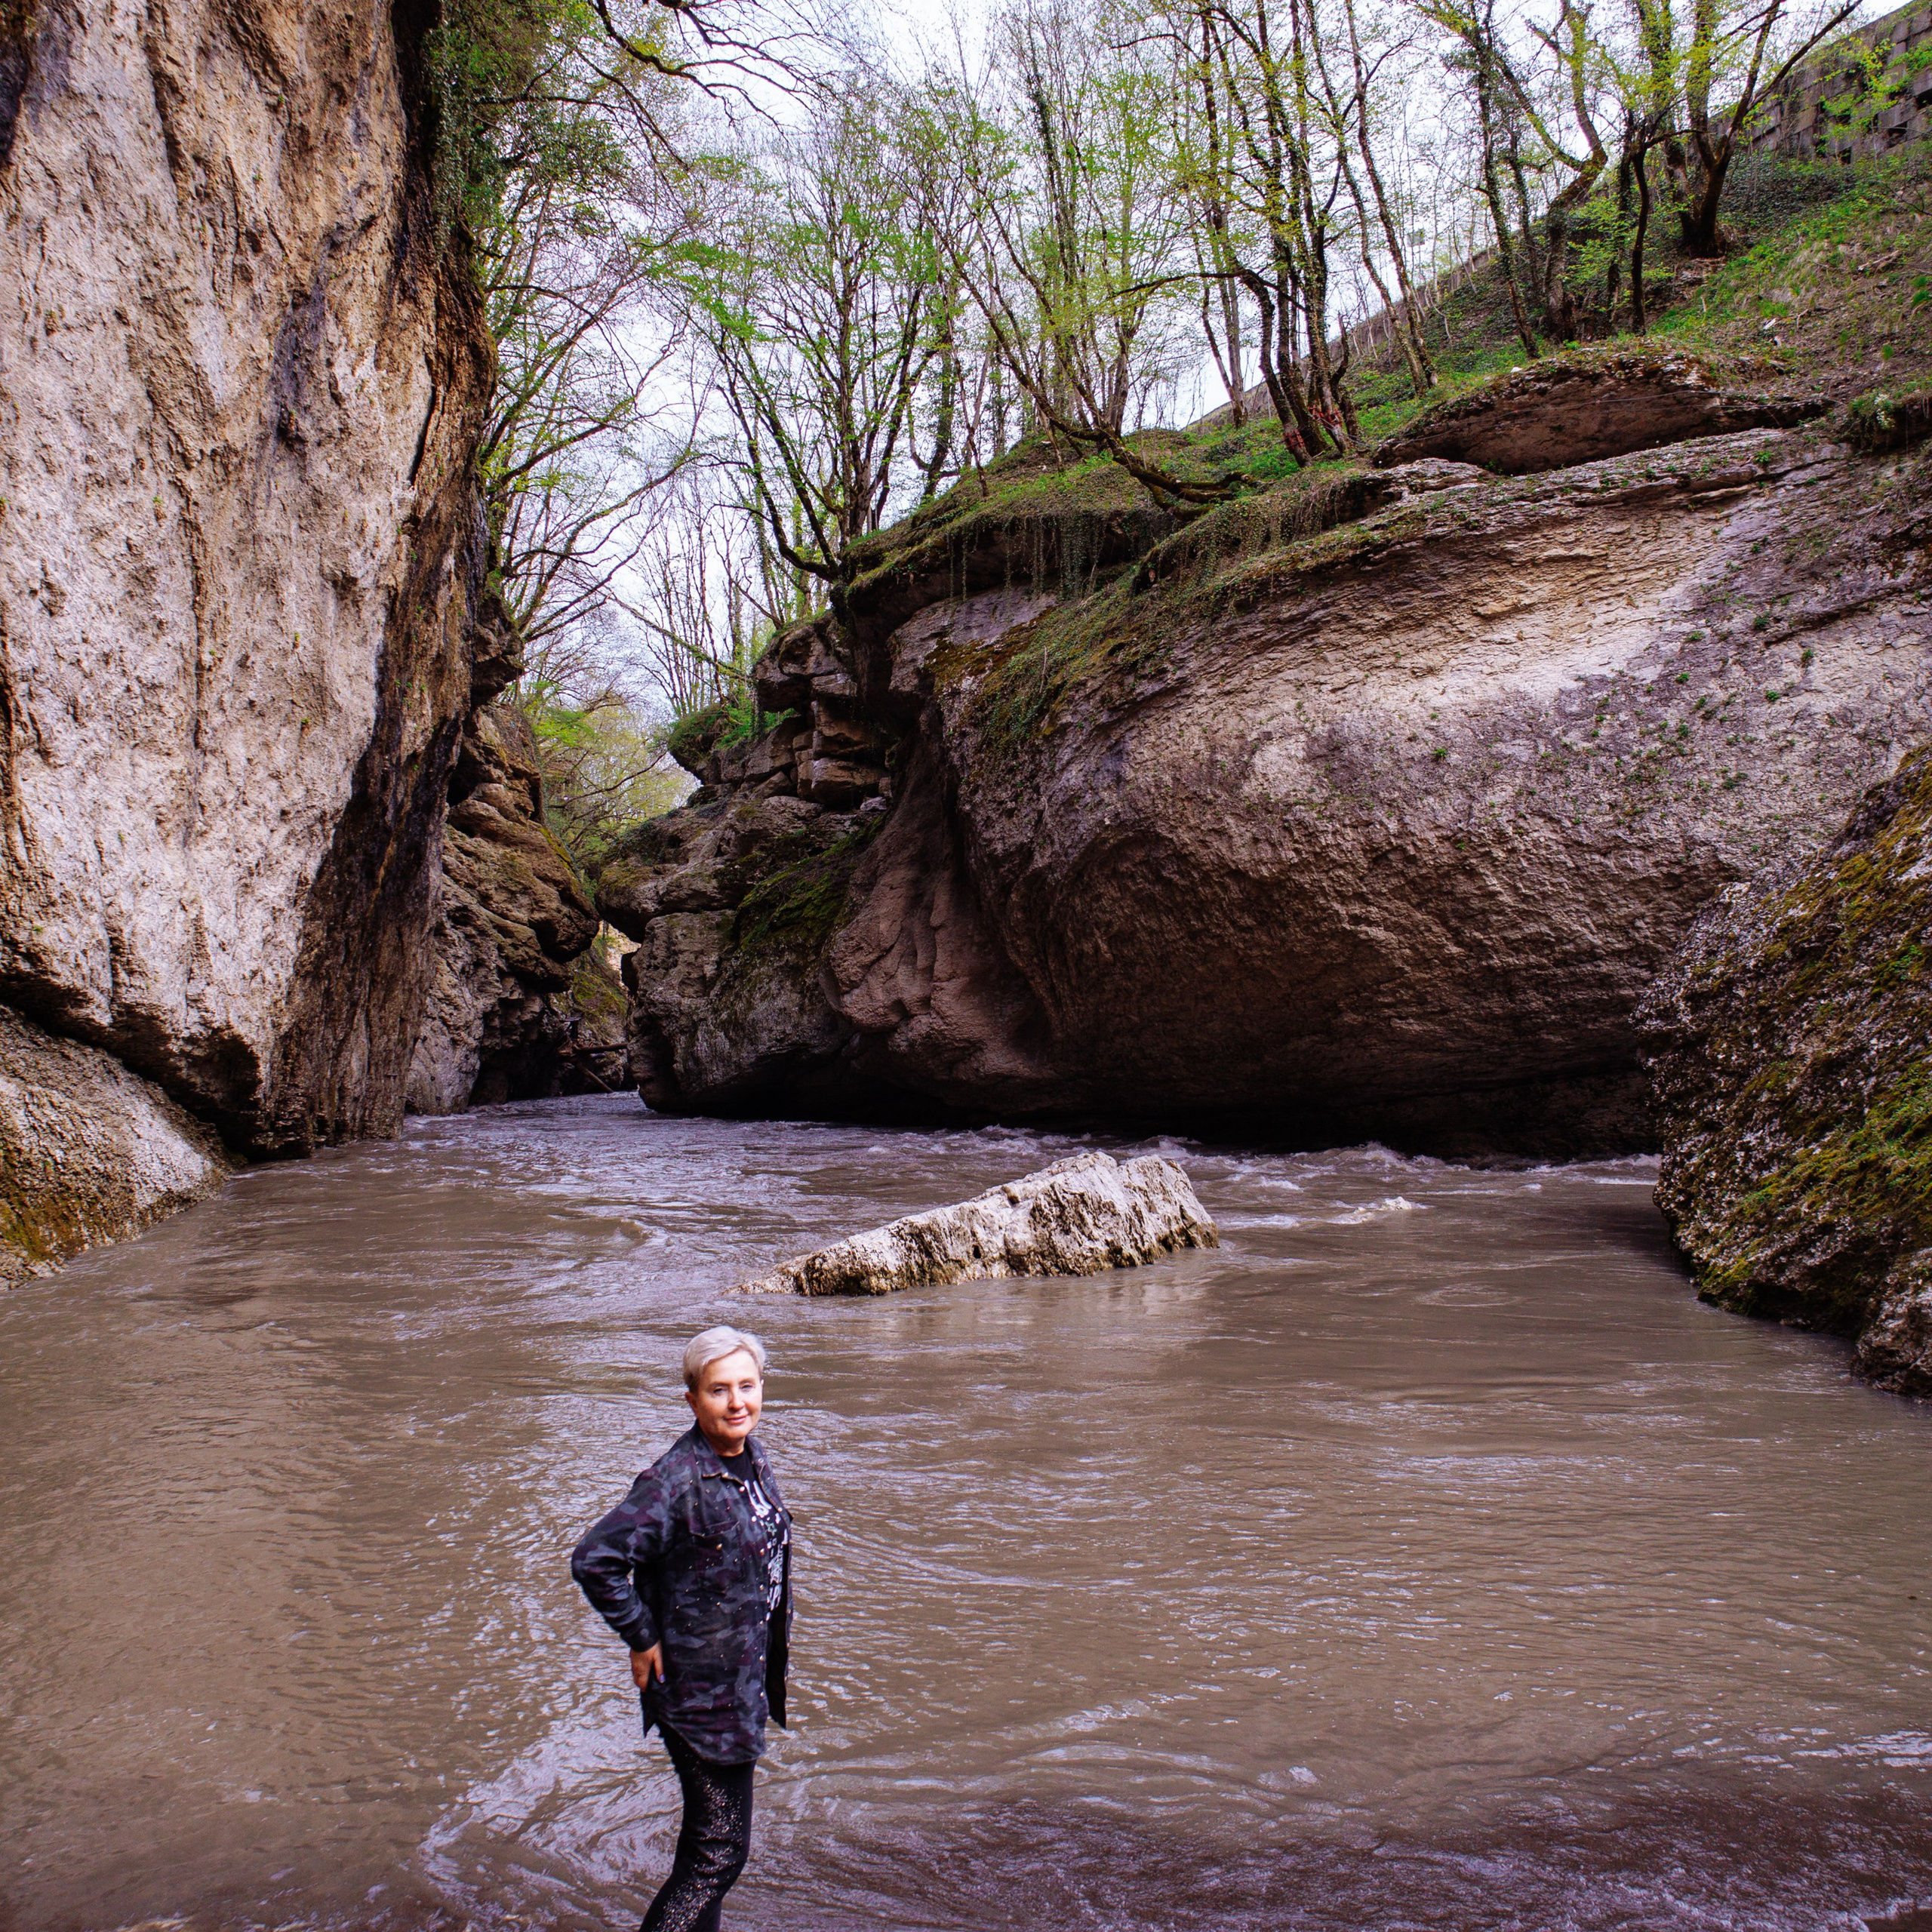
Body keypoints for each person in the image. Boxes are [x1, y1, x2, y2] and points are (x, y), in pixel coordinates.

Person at [572, 1326, 792, 1932]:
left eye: (747, 1386)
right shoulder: (675, 1482)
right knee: (718, 1856)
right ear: (692, 1400)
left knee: (709, 1849)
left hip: (738, 1683)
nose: (736, 1402)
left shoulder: (751, 1456)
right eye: (718, 1390)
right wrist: (640, 1636)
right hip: (698, 1692)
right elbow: (596, 1560)